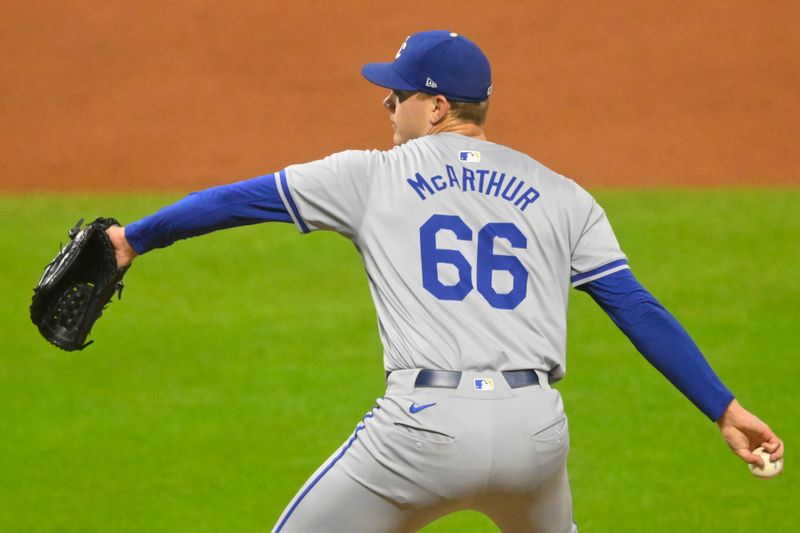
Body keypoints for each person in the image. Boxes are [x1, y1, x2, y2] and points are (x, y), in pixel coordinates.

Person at [105, 30, 783, 532]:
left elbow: (233, 201)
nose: (385, 106)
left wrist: (133, 238)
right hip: (535, 435)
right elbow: (636, 306)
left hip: (422, 431)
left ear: (433, 107)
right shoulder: (562, 194)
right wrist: (723, 407)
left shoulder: (369, 175)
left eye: (394, 94)